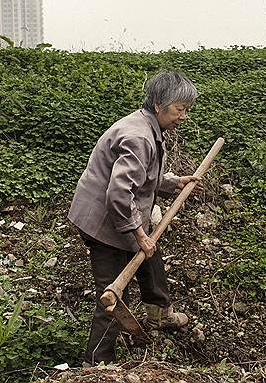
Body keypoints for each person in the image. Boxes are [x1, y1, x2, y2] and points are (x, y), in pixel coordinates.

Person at [67, 70, 202, 365]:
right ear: (159, 105)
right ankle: (98, 363)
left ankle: (158, 315)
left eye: (186, 110)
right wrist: (138, 233)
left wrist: (172, 182)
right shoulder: (139, 136)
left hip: (114, 213)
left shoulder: (146, 126)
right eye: (180, 109)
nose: (184, 116)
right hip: (103, 224)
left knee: (151, 257)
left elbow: (143, 176)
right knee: (113, 297)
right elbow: (118, 193)